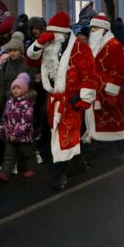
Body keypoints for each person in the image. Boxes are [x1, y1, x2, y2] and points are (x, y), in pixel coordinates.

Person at [26, 11, 97, 191]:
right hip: (52, 100)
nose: (51, 37)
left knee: (64, 138)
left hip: (71, 101)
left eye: (54, 33)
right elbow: (30, 58)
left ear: (63, 33)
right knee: (57, 136)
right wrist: (40, 41)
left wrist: (84, 99)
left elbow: (89, 75)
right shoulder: (48, 48)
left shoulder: (81, 49)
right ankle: (78, 162)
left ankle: (60, 175)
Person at [84, 14, 124, 159]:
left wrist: (111, 92)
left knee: (114, 118)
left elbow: (118, 70)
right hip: (95, 89)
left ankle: (122, 146)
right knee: (97, 118)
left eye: (95, 28)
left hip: (108, 90)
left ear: (103, 29)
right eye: (92, 28)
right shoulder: (93, 46)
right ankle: (97, 145)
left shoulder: (114, 45)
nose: (92, 31)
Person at [0, 73, 36, 181]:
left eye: (18, 88)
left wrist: (16, 134)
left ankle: (31, 168)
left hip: (23, 136)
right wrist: (2, 128)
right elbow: (5, 116)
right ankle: (5, 173)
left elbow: (26, 121)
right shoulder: (9, 102)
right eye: (14, 88)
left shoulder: (26, 104)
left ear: (24, 89)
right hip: (10, 135)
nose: (15, 90)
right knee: (9, 155)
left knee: (26, 153)